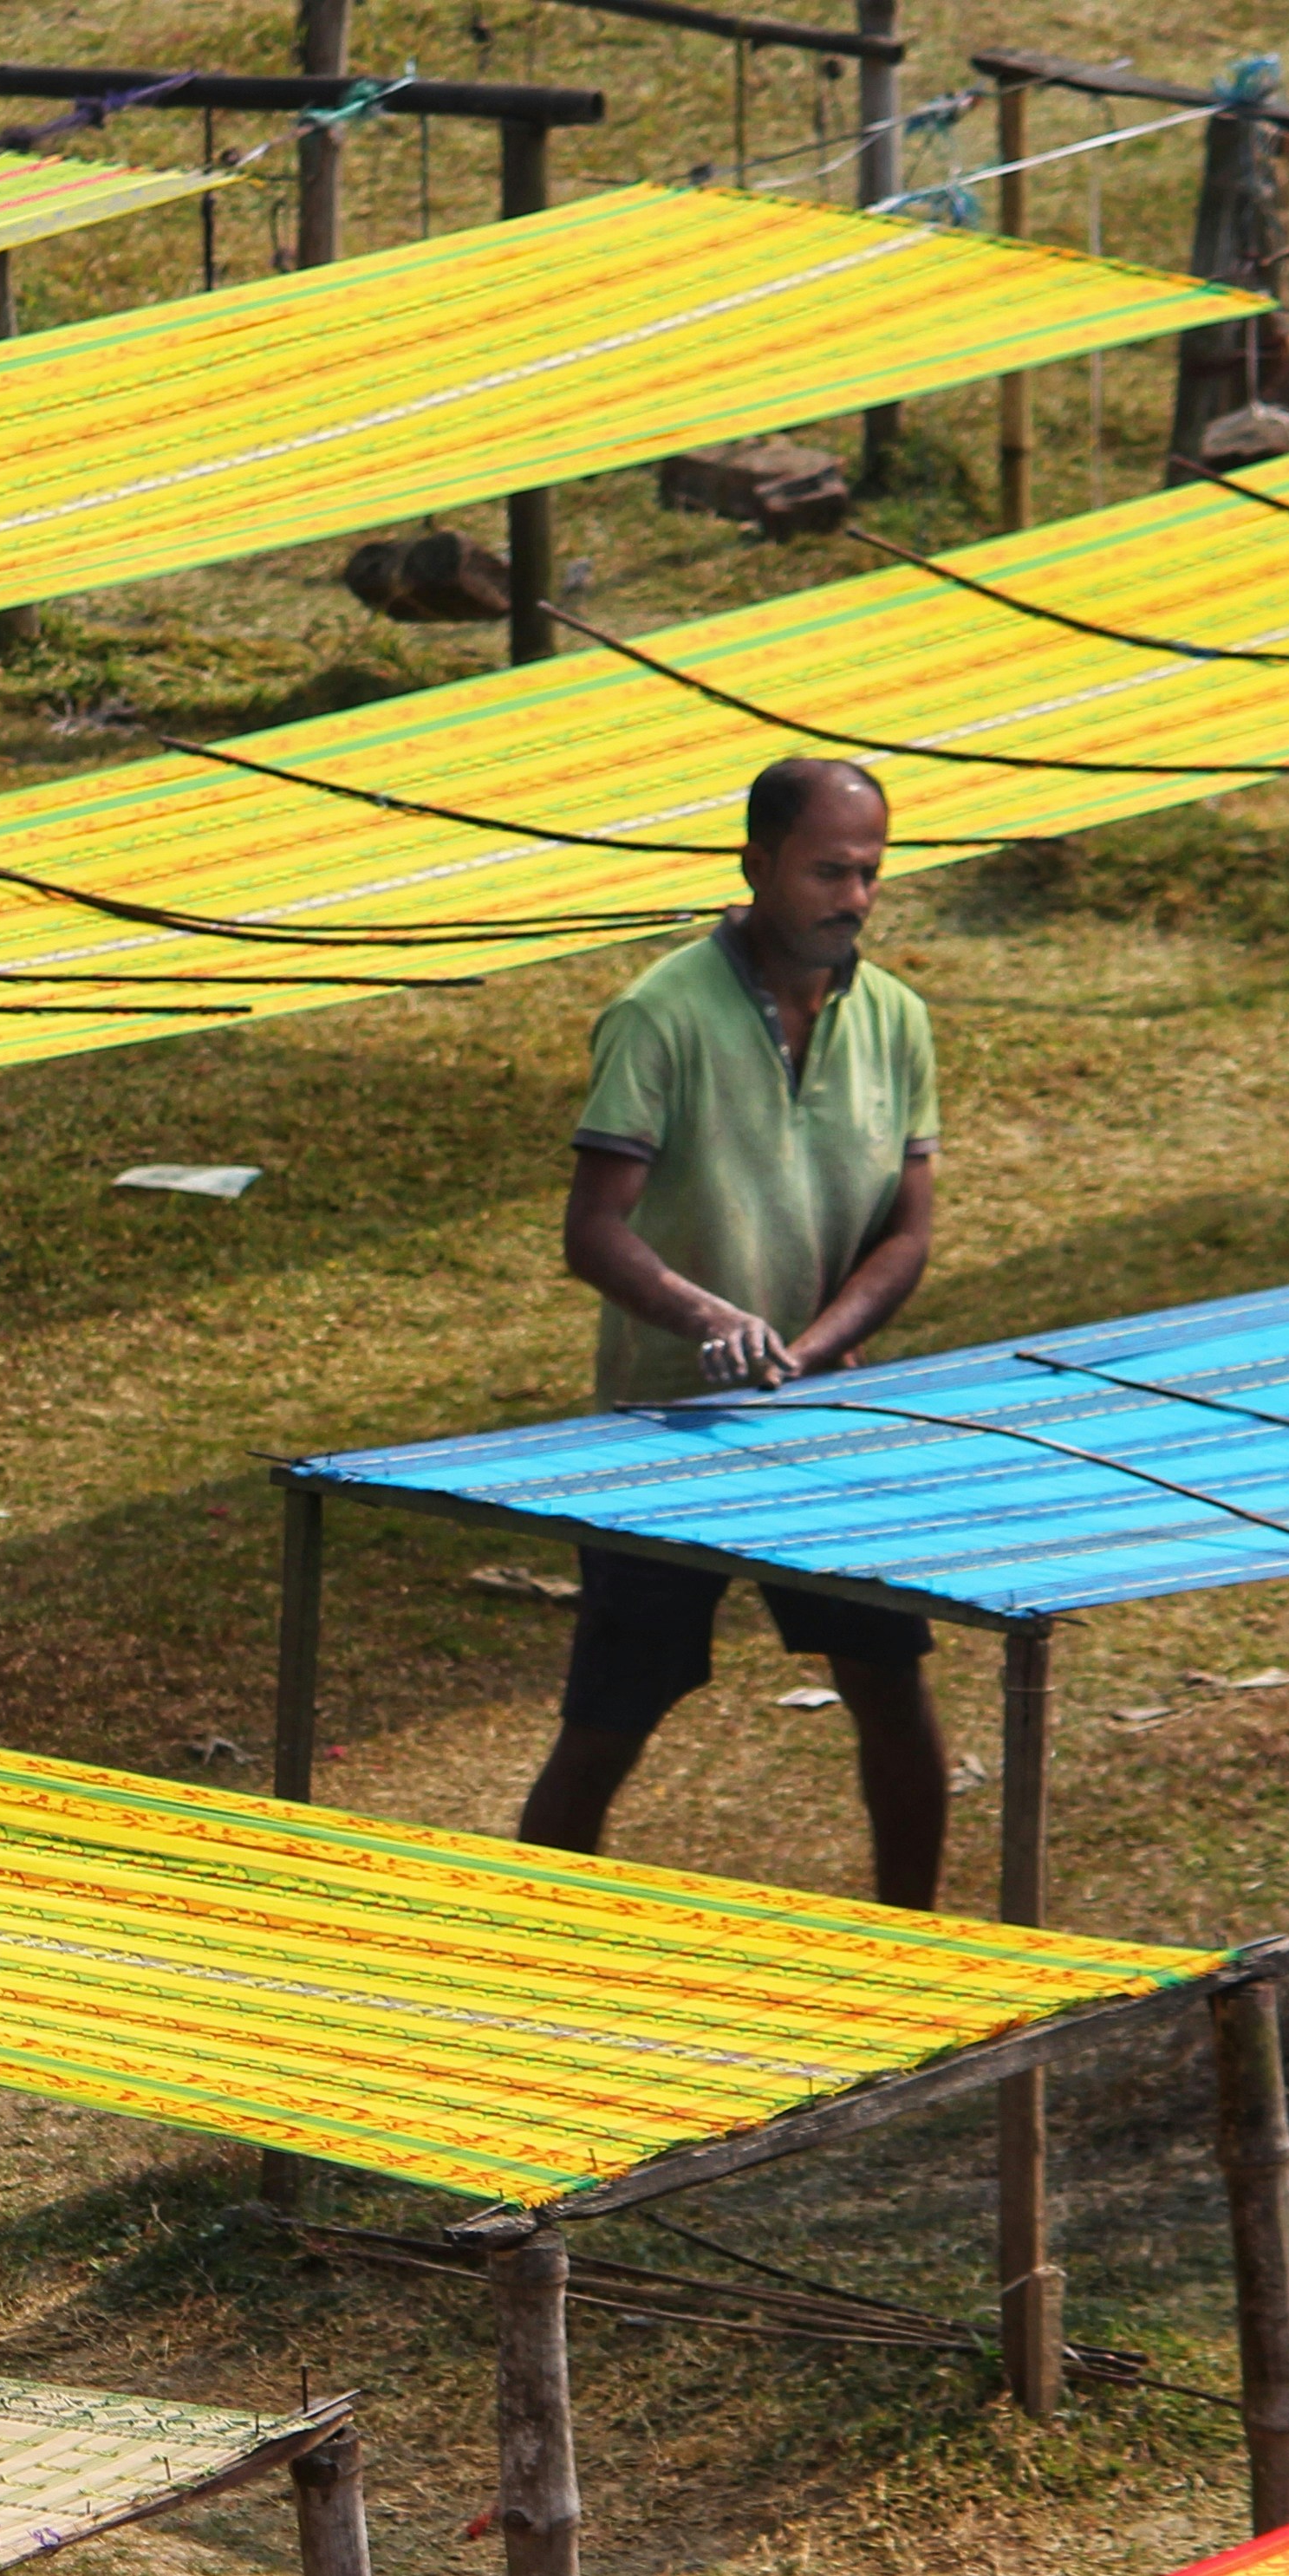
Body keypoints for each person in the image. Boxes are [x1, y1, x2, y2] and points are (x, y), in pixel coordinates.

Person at [513, 755, 948, 1903]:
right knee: (611, 1719)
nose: (852, 898)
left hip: (825, 1423)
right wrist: (709, 1318)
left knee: (891, 1689)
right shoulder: (661, 1016)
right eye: (826, 871)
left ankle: (911, 1959)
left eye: (868, 873)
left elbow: (905, 1236)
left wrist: (806, 1357)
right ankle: (523, 1958)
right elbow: (594, 1233)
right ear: (754, 864)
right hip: (665, 1432)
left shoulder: (897, 1020)